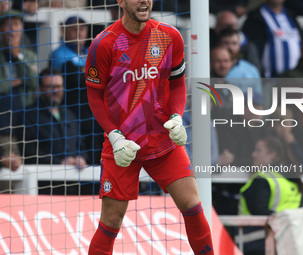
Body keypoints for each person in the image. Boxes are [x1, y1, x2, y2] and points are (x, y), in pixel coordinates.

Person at [85, 0, 214, 254]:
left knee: (193, 205)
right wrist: (115, 136)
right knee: (110, 222)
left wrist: (177, 117)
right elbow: (94, 97)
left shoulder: (169, 36)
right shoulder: (104, 43)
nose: (144, 0)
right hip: (123, 147)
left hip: (162, 140)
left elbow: (177, 84)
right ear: (121, 1)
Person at [51, 15, 104, 164]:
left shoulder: (91, 51)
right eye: (74, 29)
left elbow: (105, 73)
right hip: (73, 113)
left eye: (83, 29)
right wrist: (93, 72)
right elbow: (73, 77)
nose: (79, 33)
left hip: (95, 114)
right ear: (65, 32)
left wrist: (84, 71)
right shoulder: (59, 53)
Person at [239, 136, 302, 255]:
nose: (253, 154)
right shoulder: (293, 179)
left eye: (258, 150)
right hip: (288, 243)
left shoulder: (262, 179)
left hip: (257, 243)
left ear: (272, 154)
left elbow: (257, 211)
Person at [0, 10, 37, 172]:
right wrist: (19, 81)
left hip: (26, 123)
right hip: (5, 123)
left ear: (21, 28)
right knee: (10, 168)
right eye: (7, 25)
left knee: (28, 168)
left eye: (15, 24)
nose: (11, 29)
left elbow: (34, 83)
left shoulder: (28, 55)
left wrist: (17, 55)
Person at [242, 0, 301, 78]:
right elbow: (251, 51)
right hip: (268, 80)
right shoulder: (255, 18)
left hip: (294, 80)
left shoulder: (291, 16)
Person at [219, 27, 263, 97]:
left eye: (234, 43)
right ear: (219, 44)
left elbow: (258, 101)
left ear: (239, 46)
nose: (230, 47)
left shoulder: (251, 70)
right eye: (226, 43)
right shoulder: (210, 69)